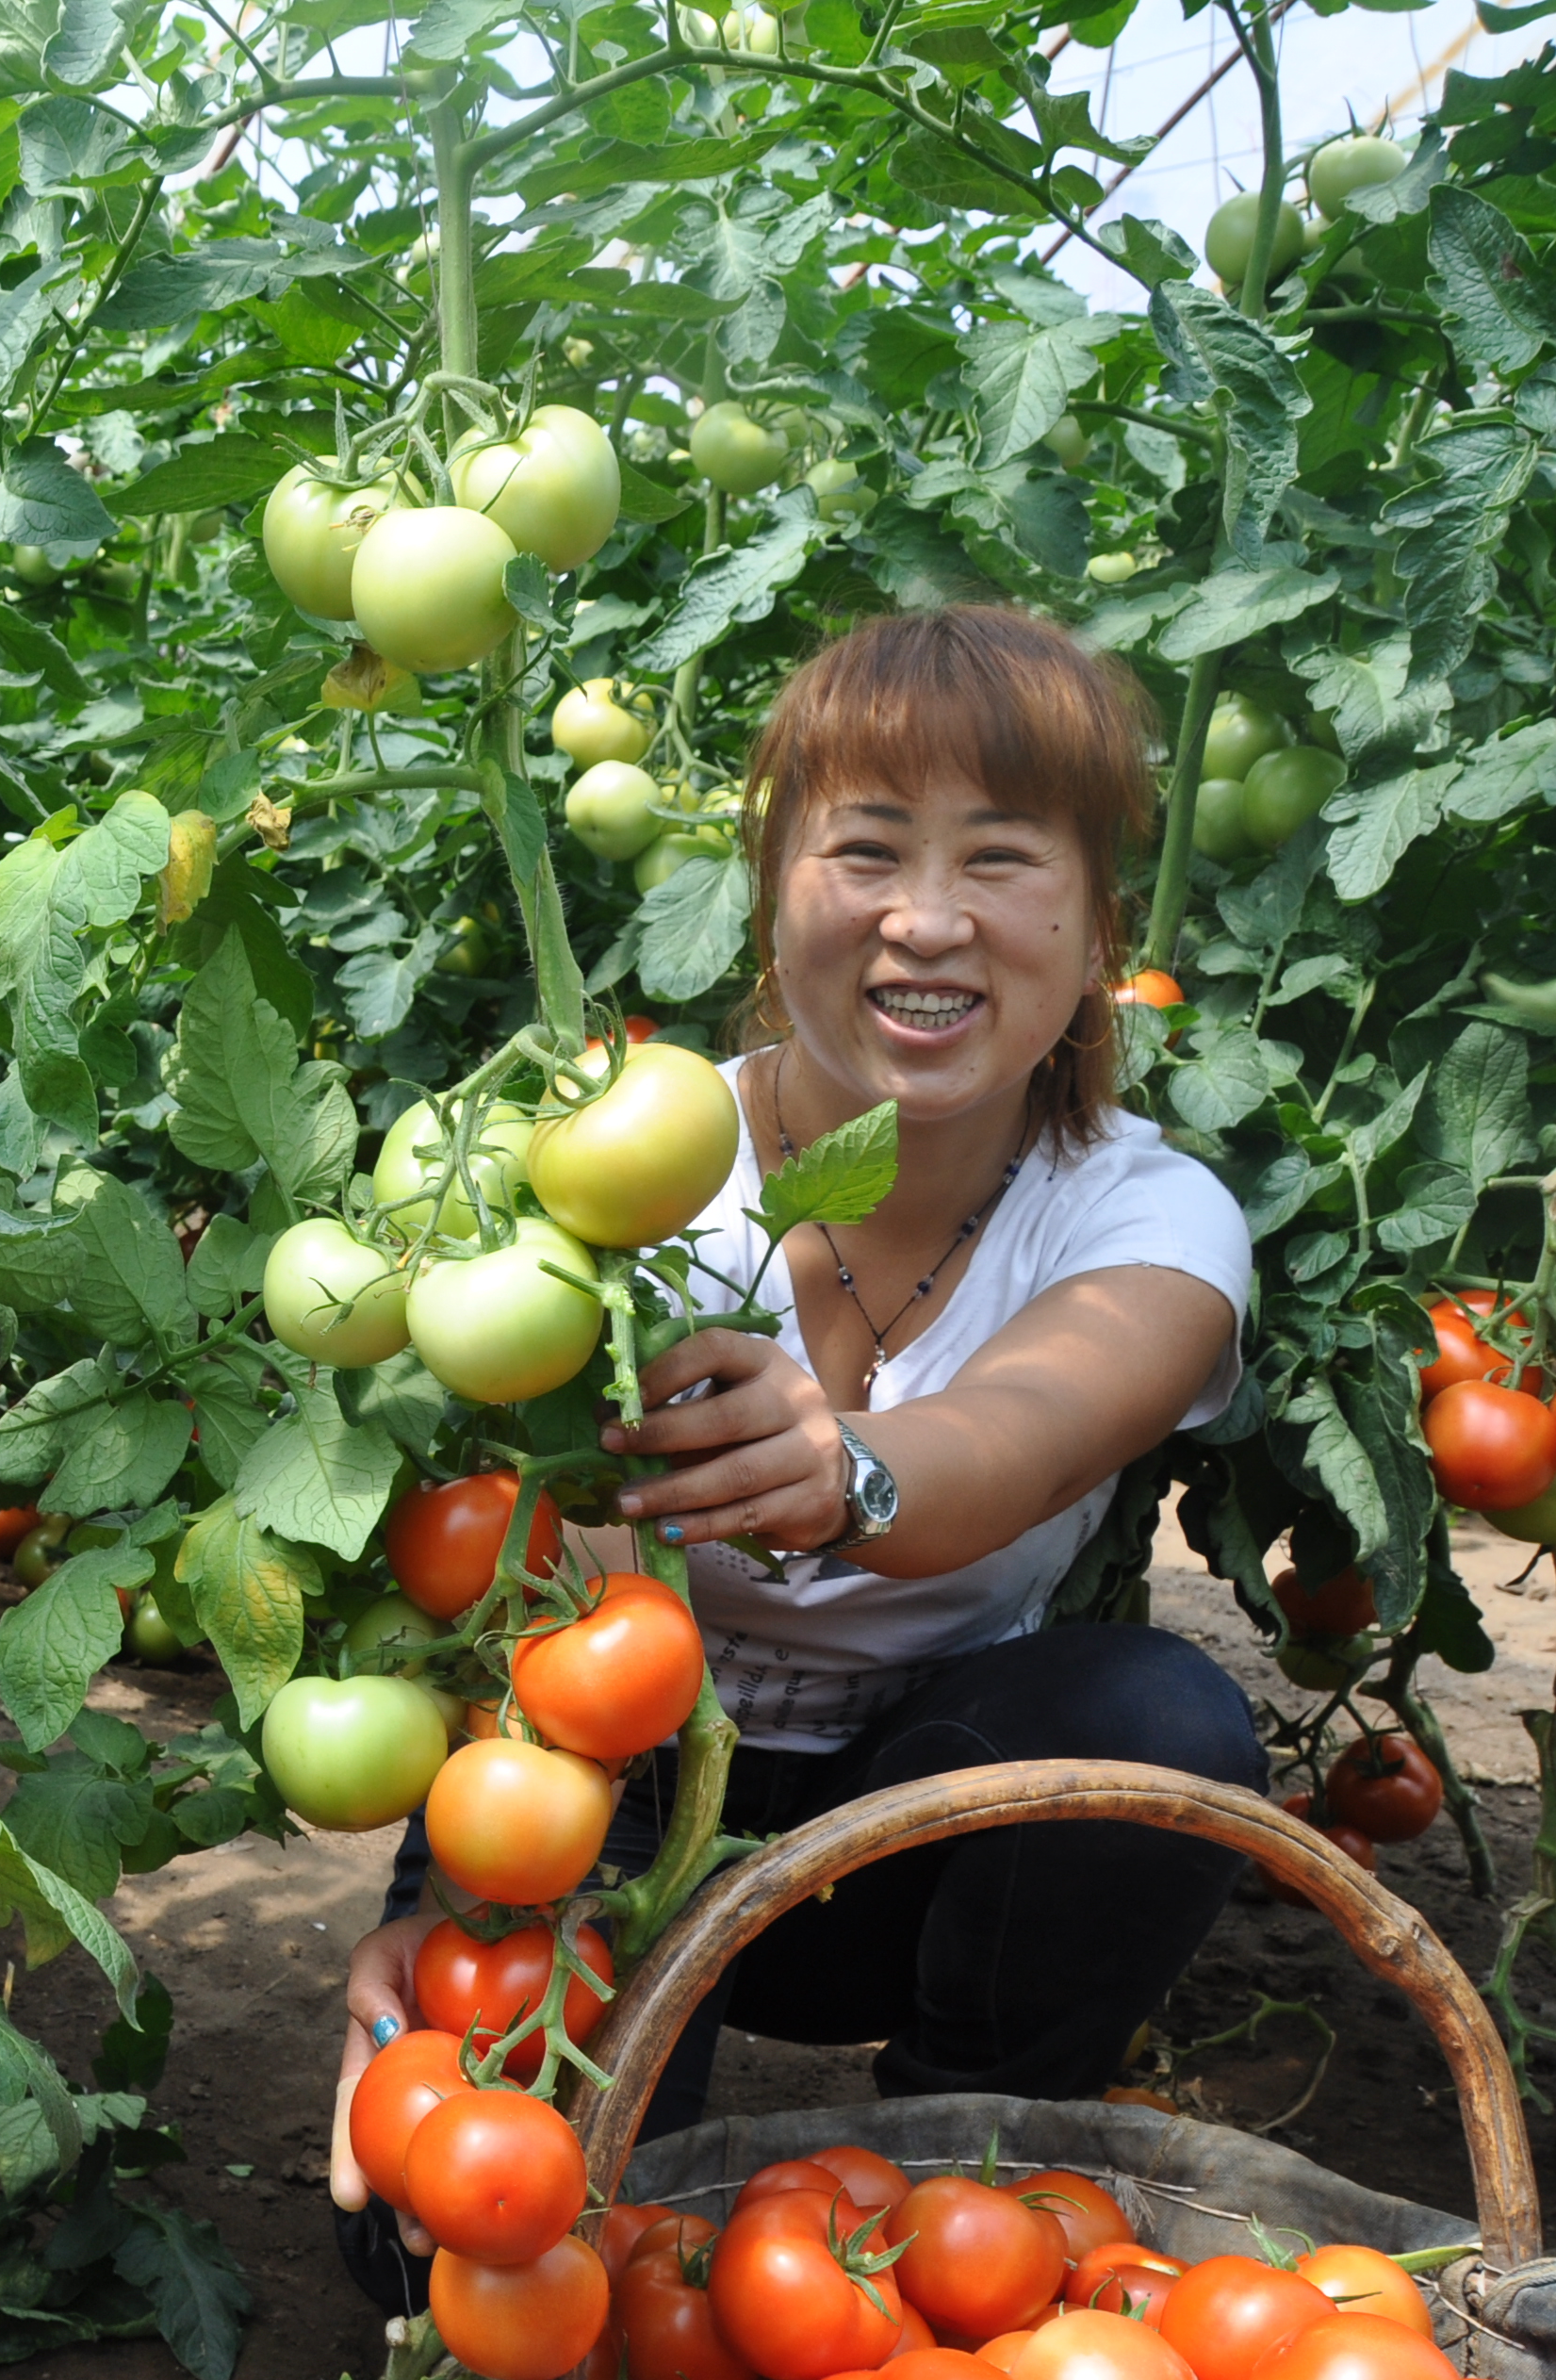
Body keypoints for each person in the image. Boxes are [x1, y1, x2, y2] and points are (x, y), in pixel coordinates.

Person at [327, 605, 1265, 2288]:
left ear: (1097, 921)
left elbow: (1030, 1426)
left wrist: (852, 1473)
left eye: (1000, 856)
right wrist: (459, 1892)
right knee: (493, 2270)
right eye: (868, 849)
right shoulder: (609, 1173)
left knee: (1157, 1722)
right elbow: (529, 1574)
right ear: (770, 890)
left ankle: (981, 2178)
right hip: (591, 1793)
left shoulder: (1144, 1208)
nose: (926, 919)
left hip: (901, 1837)